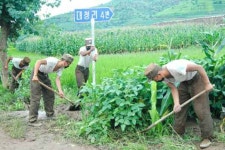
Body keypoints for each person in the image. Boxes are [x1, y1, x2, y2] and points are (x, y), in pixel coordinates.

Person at [144, 59, 214, 149]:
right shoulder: (163, 77)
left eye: (154, 79)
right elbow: (173, 88)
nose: (154, 81)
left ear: (159, 74)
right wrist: (176, 104)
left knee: (201, 110)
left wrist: (207, 84)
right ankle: (178, 134)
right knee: (179, 109)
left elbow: (199, 68)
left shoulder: (175, 68)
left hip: (197, 80)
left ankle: (207, 137)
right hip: (184, 82)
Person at [28, 54, 74, 126]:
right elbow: (38, 62)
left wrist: (60, 91)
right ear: (64, 60)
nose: (67, 64)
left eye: (68, 63)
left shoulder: (61, 68)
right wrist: (35, 75)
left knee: (50, 94)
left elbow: (57, 79)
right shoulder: (52, 61)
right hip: (37, 73)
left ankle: (50, 114)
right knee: (36, 96)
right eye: (67, 62)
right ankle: (32, 119)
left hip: (44, 75)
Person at [73, 38, 98, 110]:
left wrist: (94, 55)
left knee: (83, 87)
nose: (89, 47)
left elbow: (95, 59)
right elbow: (83, 54)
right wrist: (90, 50)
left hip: (86, 70)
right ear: (85, 45)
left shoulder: (94, 49)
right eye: (88, 46)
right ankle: (79, 101)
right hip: (79, 69)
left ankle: (80, 103)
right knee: (82, 86)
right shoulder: (82, 48)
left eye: (90, 46)